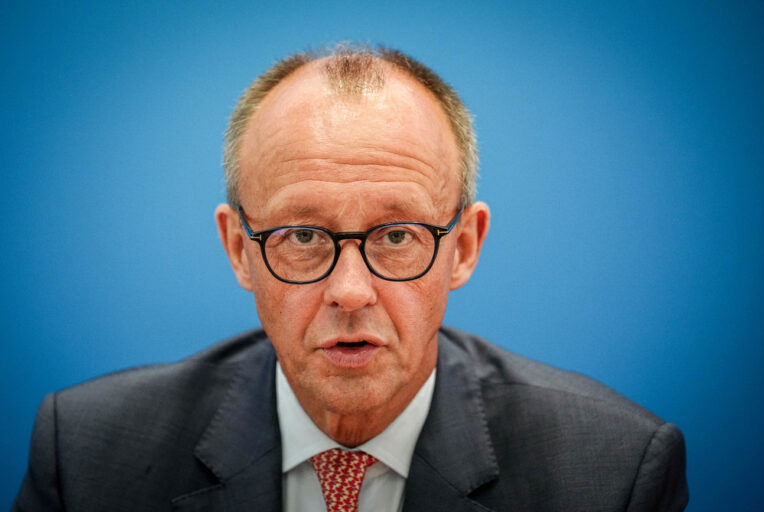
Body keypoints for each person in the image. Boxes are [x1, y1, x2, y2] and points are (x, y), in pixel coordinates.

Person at [13, 44, 688, 511]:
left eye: (397, 237)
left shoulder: (613, 469)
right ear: (238, 248)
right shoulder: (87, 453)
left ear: (464, 246)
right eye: (302, 236)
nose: (350, 291)